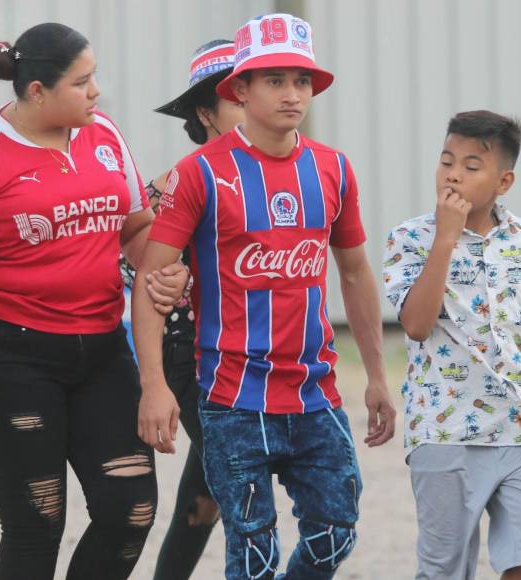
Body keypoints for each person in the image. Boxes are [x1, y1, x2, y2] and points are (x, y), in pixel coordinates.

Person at [0, 23, 186, 580]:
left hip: (103, 351)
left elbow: (133, 231)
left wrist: (169, 271)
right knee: (37, 524)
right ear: (36, 91)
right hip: (12, 357)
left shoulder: (103, 133)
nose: (96, 92)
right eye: (82, 82)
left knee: (130, 513)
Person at [132, 14, 396, 580]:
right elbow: (147, 281)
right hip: (232, 397)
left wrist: (376, 374)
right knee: (251, 554)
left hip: (314, 393)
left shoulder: (334, 170)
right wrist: (154, 386)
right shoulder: (197, 173)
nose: (291, 93)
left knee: (335, 535)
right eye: (274, 80)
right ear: (240, 90)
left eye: (301, 80)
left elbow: (354, 273)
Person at [382, 110, 521, 579]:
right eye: (447, 160)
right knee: (445, 568)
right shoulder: (409, 238)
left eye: (470, 165)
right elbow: (418, 325)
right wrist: (445, 239)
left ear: (503, 181)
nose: (453, 174)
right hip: (446, 433)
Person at [120, 38, 243, 580]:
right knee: (238, 486)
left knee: (207, 499)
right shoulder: (182, 179)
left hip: (250, 351)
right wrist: (180, 273)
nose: (259, 101)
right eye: (237, 95)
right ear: (204, 112)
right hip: (191, 352)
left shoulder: (283, 170)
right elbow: (129, 251)